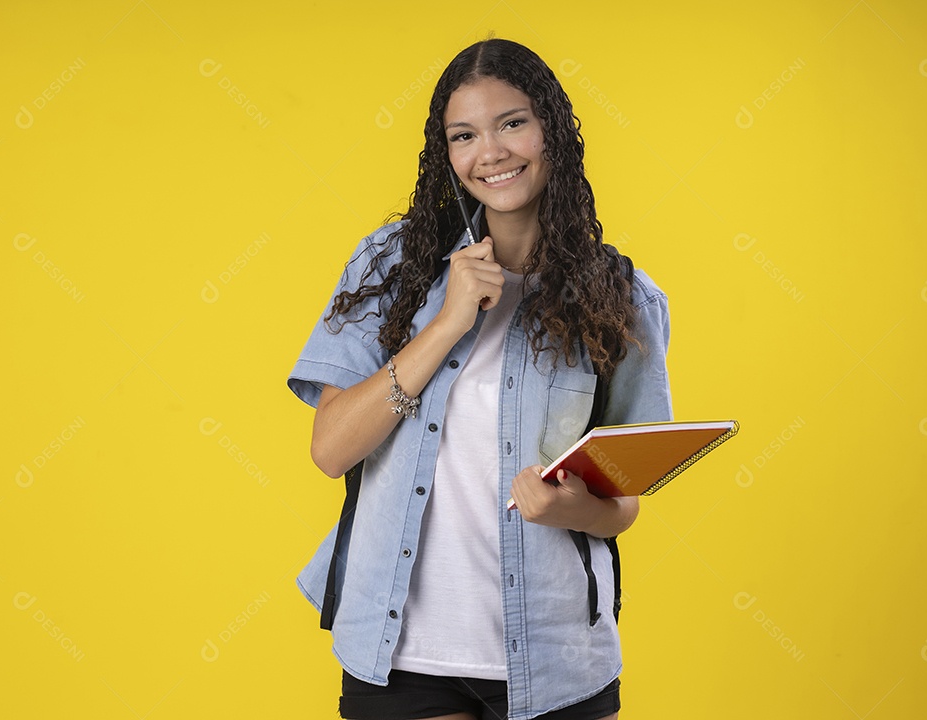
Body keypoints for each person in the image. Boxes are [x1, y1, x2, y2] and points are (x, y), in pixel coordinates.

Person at [288, 38, 672, 720]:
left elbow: (624, 504)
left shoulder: (622, 297)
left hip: (556, 658)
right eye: (464, 135)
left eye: (513, 123)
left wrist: (567, 509)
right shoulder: (390, 268)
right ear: (446, 154)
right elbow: (331, 449)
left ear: (552, 129)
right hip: (401, 653)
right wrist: (445, 324)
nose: (489, 152)